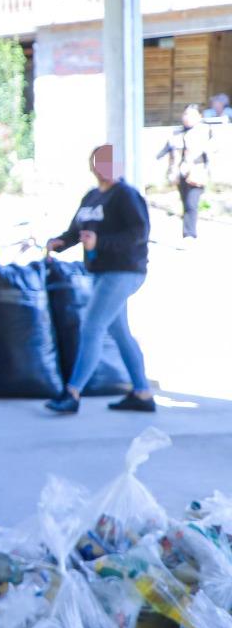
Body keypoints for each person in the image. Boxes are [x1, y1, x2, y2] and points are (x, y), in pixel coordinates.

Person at [45, 144, 155, 415]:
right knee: (119, 332)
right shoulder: (92, 197)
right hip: (100, 271)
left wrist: (101, 242)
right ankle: (142, 393)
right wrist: (60, 243)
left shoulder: (126, 195)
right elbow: (78, 231)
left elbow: (139, 232)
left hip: (124, 271)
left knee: (92, 326)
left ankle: (72, 392)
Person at [158, 105, 211, 241]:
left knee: (191, 203)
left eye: (192, 115)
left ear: (200, 117)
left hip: (196, 173)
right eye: (186, 114)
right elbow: (165, 151)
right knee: (185, 203)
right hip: (179, 173)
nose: (188, 118)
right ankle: (187, 233)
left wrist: (208, 172)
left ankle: (190, 234)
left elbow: (211, 154)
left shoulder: (205, 132)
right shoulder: (176, 134)